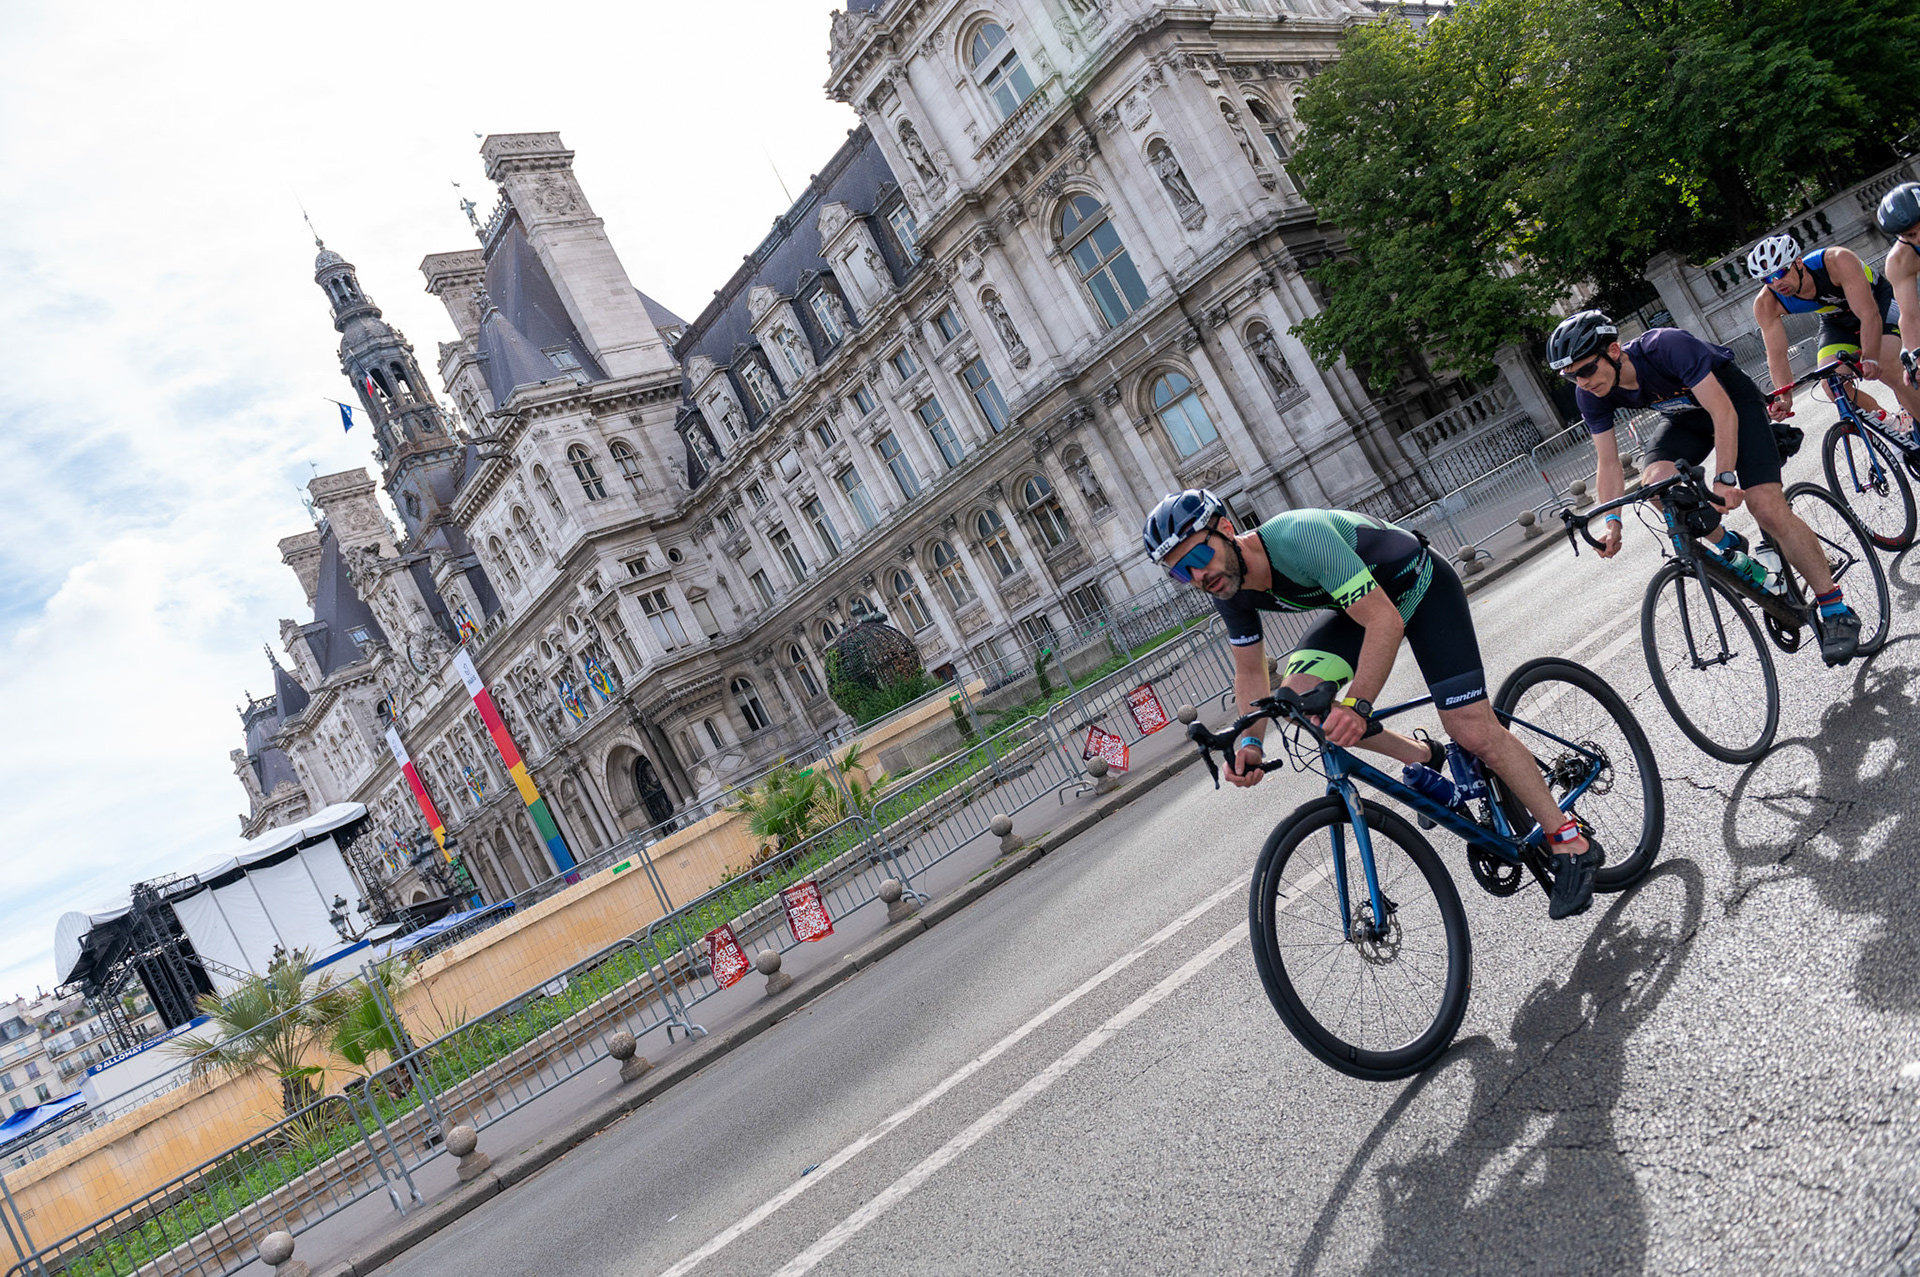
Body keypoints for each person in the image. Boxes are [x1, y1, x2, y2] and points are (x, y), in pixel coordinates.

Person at [1143, 490, 1605, 920]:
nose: (1198, 576)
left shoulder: (1298, 536)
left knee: (1472, 729)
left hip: (1419, 589)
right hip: (1360, 609)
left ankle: (1568, 840)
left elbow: (1384, 620)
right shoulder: (1227, 586)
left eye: (1198, 557)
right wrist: (1249, 742)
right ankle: (1425, 758)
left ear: (1225, 528)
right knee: (1298, 703)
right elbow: (1250, 673)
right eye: (1182, 573)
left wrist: (1359, 703)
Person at [1549, 309, 1861, 665]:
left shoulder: (1666, 347)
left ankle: (1836, 608)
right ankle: (1732, 550)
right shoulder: (1590, 394)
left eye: (1587, 369)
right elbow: (1607, 463)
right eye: (1570, 376)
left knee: (1764, 506)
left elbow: (1723, 412)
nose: (1582, 382)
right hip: (1684, 418)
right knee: (1656, 486)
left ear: (1615, 351)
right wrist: (1612, 523)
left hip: (1733, 404)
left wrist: (1724, 478)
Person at [1747, 233, 1919, 428]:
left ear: (1799, 263)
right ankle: (1895, 426)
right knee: (1831, 385)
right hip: (1836, 319)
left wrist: (1870, 357)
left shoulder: (1837, 260)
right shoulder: (1766, 303)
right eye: (1767, 279)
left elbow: (1869, 314)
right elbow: (1776, 355)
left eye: (1781, 272)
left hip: (1877, 303)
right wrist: (1784, 398)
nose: (1776, 283)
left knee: (1885, 364)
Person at [1877, 182, 1920, 392]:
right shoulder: (1899, 260)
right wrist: (1917, 356)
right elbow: (1910, 315)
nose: (1919, 238)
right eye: (1911, 235)